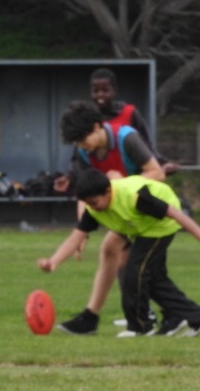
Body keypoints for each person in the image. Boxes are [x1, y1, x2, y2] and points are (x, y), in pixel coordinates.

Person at [38, 169, 200, 337]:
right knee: (153, 279)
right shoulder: (93, 208)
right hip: (138, 226)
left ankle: (141, 327)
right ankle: (197, 317)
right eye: (87, 203)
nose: (92, 207)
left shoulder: (136, 197)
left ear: (108, 192)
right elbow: (76, 236)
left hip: (160, 226)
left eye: (94, 202)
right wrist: (53, 262)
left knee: (134, 273)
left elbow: (176, 214)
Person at [53, 100, 165, 335]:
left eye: (83, 139)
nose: (82, 146)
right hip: (123, 209)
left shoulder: (127, 139)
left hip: (147, 204)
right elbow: (85, 192)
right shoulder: (86, 152)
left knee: (121, 255)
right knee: (112, 252)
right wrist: (82, 230)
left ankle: (138, 314)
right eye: (77, 143)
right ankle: (97, 316)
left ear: (97, 126)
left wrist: (121, 185)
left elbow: (157, 172)